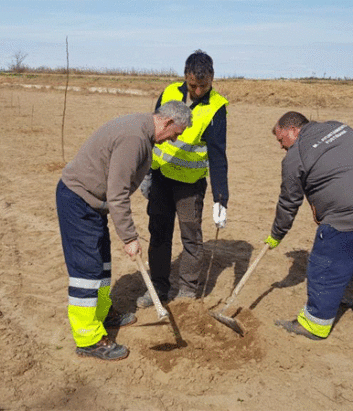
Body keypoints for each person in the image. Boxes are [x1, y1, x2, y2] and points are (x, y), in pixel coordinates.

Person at [56, 101, 192, 361]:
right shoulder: (134, 138)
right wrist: (129, 238)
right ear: (166, 122)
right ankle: (88, 339)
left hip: (93, 204)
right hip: (78, 200)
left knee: (102, 265)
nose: (173, 140)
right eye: (175, 134)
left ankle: (103, 313)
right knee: (87, 271)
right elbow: (116, 193)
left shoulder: (142, 131)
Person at [266, 111, 353, 340]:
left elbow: (289, 202)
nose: (281, 146)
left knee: (324, 266)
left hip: (348, 217)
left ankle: (314, 324)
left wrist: (276, 235)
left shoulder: (295, 155)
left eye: (281, 140)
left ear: (293, 130)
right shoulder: (339, 127)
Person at [136, 50, 230, 308]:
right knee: (159, 233)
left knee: (190, 236)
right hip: (161, 178)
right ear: (185, 78)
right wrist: (147, 174)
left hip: (190, 185)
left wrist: (221, 199)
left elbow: (218, 156)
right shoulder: (168, 93)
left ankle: (188, 291)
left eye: (204, 85)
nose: (198, 91)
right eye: (193, 85)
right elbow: (151, 133)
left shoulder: (216, 107)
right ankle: (158, 288)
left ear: (212, 78)